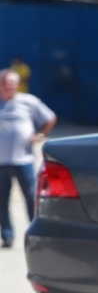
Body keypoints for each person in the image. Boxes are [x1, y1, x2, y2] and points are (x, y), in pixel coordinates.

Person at [0, 69, 55, 247]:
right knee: (2, 200)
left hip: (23, 160)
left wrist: (39, 135)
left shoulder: (28, 101)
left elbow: (49, 118)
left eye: (11, 83)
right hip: (1, 162)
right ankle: (7, 235)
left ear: (16, 85)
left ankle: (35, 235)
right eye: (4, 83)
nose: (8, 86)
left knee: (31, 197)